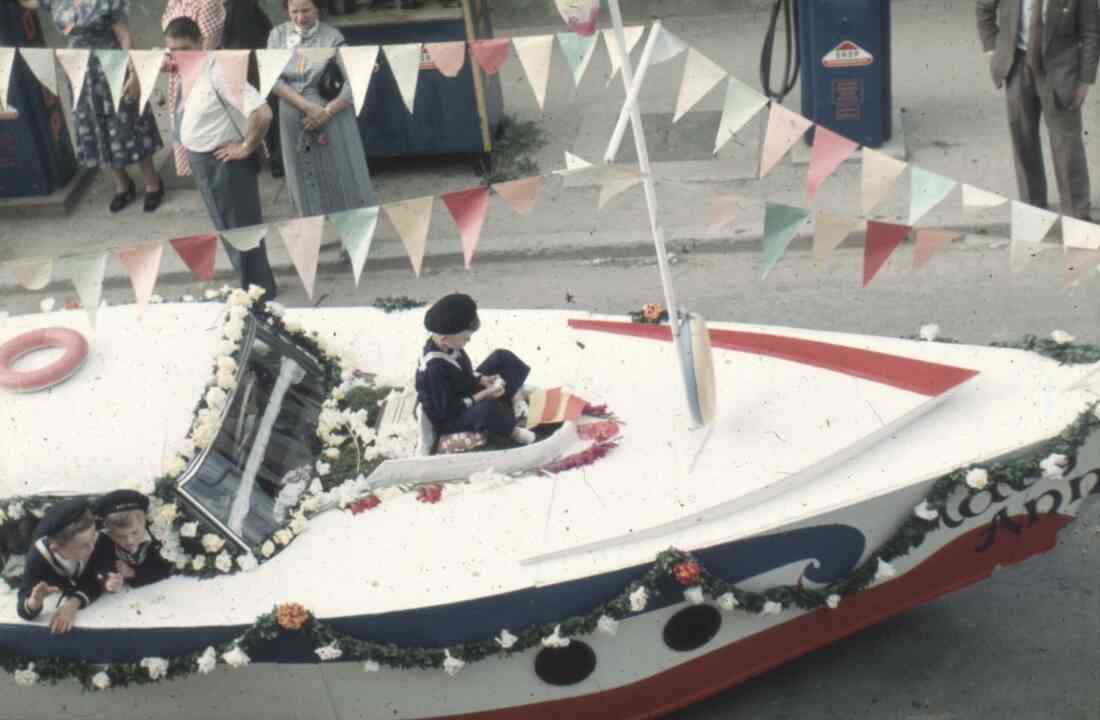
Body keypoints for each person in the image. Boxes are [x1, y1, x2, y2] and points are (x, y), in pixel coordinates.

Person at [165, 16, 278, 299]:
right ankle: (256, 289)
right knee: (230, 230)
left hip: (223, 164)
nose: (180, 55)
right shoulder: (188, 66)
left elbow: (263, 113)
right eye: (173, 50)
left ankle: (259, 297)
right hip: (204, 161)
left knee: (241, 233)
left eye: (186, 48)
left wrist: (246, 146)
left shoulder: (220, 72)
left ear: (202, 43)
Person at [22, 0, 164, 212]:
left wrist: (132, 71)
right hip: (80, 71)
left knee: (131, 123)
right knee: (97, 126)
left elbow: (124, 36)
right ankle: (122, 184)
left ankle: (152, 182)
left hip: (112, 66)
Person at [977, 0, 1100, 220]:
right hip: (1016, 65)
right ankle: (1032, 208)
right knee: (1023, 139)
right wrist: (993, 52)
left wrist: (1085, 80)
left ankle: (1077, 214)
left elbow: (1092, 32)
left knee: (1067, 143)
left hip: (1060, 69)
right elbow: (984, 8)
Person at [268, 0, 378, 217]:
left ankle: (351, 226)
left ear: (317, 8)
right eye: (294, 11)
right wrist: (307, 107)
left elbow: (355, 77)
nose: (300, 17)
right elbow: (272, 79)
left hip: (331, 111)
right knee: (302, 172)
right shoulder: (277, 35)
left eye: (306, 10)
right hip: (292, 108)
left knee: (341, 170)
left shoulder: (332, 36)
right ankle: (311, 225)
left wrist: (328, 111)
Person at [415, 293, 536, 447]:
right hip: (450, 417)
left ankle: (515, 400)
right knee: (487, 409)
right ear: (445, 338)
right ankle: (515, 433)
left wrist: (482, 380)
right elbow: (450, 410)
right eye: (465, 338)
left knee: (502, 357)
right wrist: (484, 394)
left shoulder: (449, 345)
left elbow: (463, 374)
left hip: (460, 393)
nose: (469, 340)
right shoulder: (434, 369)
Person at [16, 498, 122, 634]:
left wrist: (108, 581)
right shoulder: (38, 557)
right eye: (84, 545)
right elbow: (24, 600)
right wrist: (33, 603)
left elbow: (98, 578)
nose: (92, 547)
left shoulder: (100, 541)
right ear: (56, 549)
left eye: (93, 537)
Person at [161, 0, 226, 178]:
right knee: (187, 126)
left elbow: (206, 45)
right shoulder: (173, 2)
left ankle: (216, 172)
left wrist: (180, 62)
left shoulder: (208, 3)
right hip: (179, 73)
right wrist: (167, 57)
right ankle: (201, 171)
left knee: (207, 126)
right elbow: (170, 38)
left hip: (203, 72)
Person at [221, 0, 283, 178]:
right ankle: (270, 157)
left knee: (258, 109)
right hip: (248, 59)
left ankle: (272, 158)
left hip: (247, 60)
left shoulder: (238, 5)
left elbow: (244, 39)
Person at [93, 490, 175, 588]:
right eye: (120, 536)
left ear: (145, 520)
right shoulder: (105, 540)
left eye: (135, 532)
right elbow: (100, 565)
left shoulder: (158, 536)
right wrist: (108, 579)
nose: (130, 541)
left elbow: (167, 568)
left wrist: (133, 573)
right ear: (107, 529)